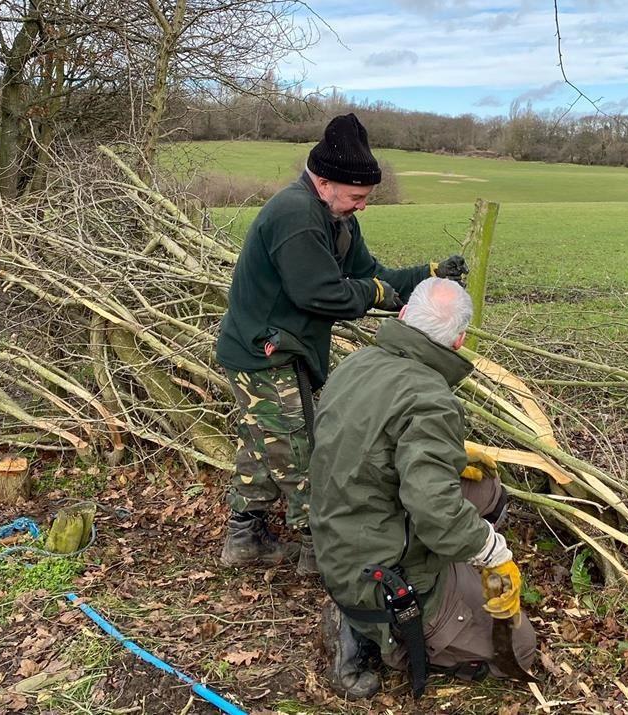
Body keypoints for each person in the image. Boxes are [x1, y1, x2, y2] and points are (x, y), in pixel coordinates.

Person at [215, 113, 469, 571]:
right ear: (326, 182)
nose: (362, 205)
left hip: (284, 349)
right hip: (263, 353)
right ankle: (322, 553)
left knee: (264, 442)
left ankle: (244, 539)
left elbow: (371, 275)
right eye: (357, 196)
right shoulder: (295, 213)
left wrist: (428, 277)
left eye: (366, 197)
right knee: (302, 453)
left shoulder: (338, 219)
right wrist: (374, 294)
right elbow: (320, 292)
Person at [309, 277, 537, 699]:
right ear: (459, 340)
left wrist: (454, 456)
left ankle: (451, 576)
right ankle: (369, 631)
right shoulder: (430, 398)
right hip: (375, 576)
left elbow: (367, 448)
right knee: (521, 651)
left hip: (337, 534)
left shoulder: (356, 364)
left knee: (486, 488)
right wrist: (494, 556)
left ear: (402, 316)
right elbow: (434, 511)